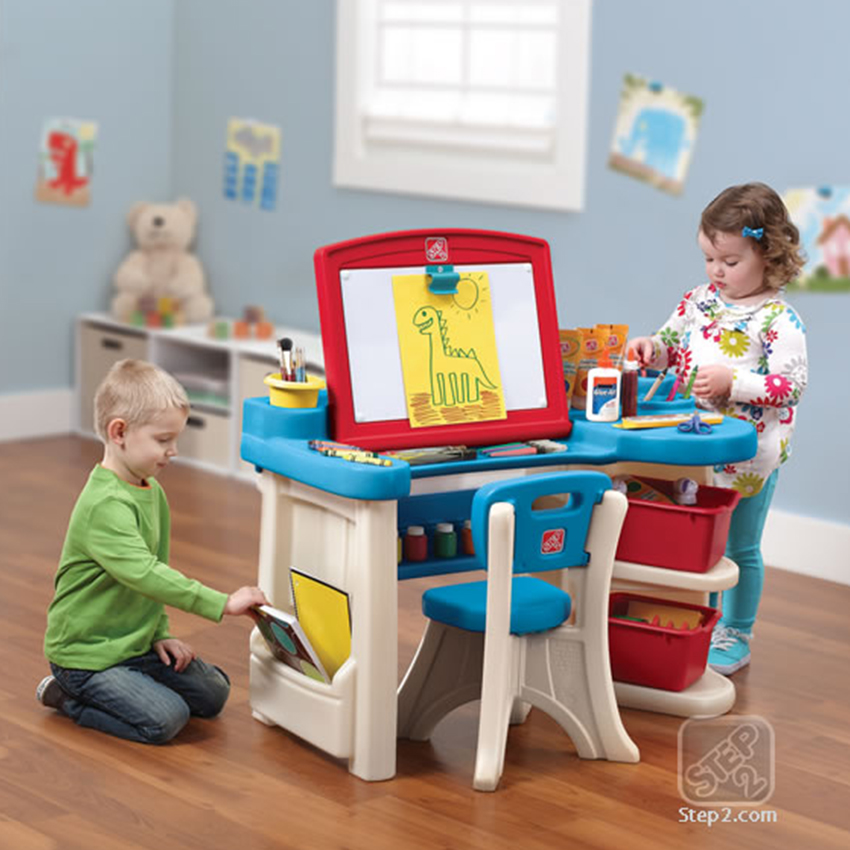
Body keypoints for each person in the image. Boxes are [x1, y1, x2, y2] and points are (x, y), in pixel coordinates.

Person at [627, 182, 808, 675]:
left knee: (739, 547)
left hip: (749, 457)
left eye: (730, 261)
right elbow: (669, 344)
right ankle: (700, 620)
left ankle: (737, 631)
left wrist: (736, 382)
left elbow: (790, 385)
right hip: (694, 447)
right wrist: (650, 349)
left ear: (768, 254)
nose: (717, 271)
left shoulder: (777, 319)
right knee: (695, 545)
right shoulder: (699, 301)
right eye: (709, 259)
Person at [37, 359, 268, 743]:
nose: (173, 451)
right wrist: (223, 603)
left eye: (175, 440)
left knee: (214, 693)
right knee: (166, 719)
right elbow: (146, 574)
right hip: (87, 657)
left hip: (134, 644)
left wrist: (159, 633)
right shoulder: (104, 505)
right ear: (119, 432)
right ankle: (66, 697)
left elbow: (154, 570)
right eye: (163, 440)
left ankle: (132, 680)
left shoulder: (151, 490)